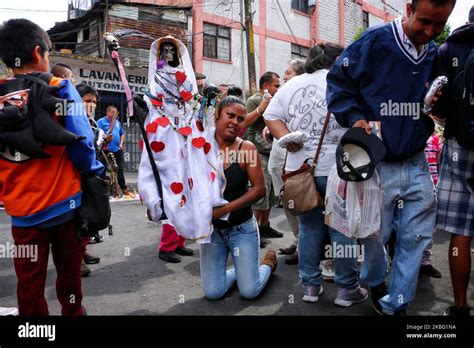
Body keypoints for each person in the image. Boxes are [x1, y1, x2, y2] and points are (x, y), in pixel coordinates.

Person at [326, 0, 455, 315]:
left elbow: (438, 109)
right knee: (375, 236)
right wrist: (356, 118)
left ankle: (396, 302)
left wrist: (439, 106)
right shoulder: (375, 42)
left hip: (417, 161)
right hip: (377, 163)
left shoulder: (436, 54)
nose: (430, 31)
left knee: (415, 238)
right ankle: (373, 279)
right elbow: (338, 84)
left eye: (439, 24)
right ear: (409, 8)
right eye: (424, 21)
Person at [0, 18, 104, 315]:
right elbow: (82, 144)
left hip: (22, 217)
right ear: (37, 53)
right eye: (48, 54)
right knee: (70, 282)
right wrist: (93, 172)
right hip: (65, 209)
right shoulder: (61, 89)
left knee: (29, 287)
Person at [265, 43, 368, 306]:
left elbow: (271, 116)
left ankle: (310, 286)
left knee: (309, 228)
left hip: (300, 169)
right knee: (342, 230)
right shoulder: (345, 83)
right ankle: (347, 289)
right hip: (340, 169)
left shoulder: (292, 84)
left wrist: (288, 139)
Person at [200, 96, 277, 300]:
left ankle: (266, 264)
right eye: (230, 115)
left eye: (241, 119)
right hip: (212, 233)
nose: (235, 122)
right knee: (213, 292)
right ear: (217, 115)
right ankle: (243, 273)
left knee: (249, 291)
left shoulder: (246, 148)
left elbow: (259, 190)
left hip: (241, 228)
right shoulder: (201, 146)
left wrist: (224, 209)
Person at [432, 8, 473, 316]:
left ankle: (460, 306)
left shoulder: (449, 48)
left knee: (461, 229)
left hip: (461, 147)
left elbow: (440, 104)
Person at [266, 59, 305, 265]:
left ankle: (304, 245)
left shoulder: (302, 93)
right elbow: (272, 116)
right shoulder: (284, 94)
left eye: (288, 73)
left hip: (293, 160)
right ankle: (299, 241)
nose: (284, 77)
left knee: (298, 201)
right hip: (279, 159)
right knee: (287, 202)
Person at [245, 71, 283, 241]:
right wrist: (261, 108)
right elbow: (245, 122)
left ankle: (264, 226)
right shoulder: (253, 100)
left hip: (272, 151)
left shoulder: (277, 100)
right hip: (257, 151)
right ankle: (252, 232)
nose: (278, 88)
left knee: (272, 191)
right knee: (261, 189)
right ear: (266, 86)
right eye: (276, 85)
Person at [76, 83, 109, 276]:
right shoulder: (71, 121)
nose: (91, 105)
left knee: (90, 217)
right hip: (76, 180)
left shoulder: (93, 124)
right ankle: (76, 258)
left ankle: (83, 250)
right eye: (87, 101)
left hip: (91, 178)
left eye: (94, 102)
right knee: (78, 220)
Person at [97, 105, 134, 198]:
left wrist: (121, 144)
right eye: (112, 112)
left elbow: (122, 133)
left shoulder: (117, 122)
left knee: (120, 169)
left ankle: (123, 189)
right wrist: (103, 143)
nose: (114, 114)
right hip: (105, 150)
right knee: (103, 169)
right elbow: (97, 134)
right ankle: (103, 190)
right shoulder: (101, 122)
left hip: (117, 149)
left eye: (116, 112)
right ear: (107, 112)